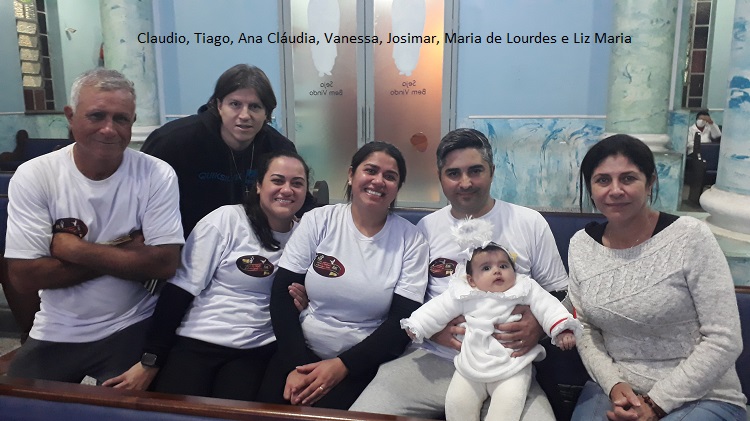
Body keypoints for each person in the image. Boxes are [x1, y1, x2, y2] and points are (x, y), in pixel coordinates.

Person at [349, 128, 569, 421]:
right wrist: (432, 330)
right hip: (433, 358)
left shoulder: (529, 222)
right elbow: (408, 301)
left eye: (475, 171)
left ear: (492, 172)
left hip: (508, 364)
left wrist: (537, 327)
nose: (465, 183)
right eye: (453, 173)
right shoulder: (426, 229)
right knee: (363, 415)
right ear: (440, 177)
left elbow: (562, 293)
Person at [4, 68, 184, 384]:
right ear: (70, 117)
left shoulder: (157, 174)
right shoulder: (35, 175)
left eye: (121, 119)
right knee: (18, 401)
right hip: (57, 326)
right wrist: (125, 251)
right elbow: (24, 276)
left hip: (132, 323)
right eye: (97, 116)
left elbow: (165, 263)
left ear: (132, 122)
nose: (109, 129)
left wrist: (74, 250)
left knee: (131, 406)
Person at [101, 150, 310, 400]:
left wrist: (305, 299)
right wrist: (151, 360)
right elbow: (179, 291)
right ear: (258, 185)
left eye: (297, 183)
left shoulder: (306, 236)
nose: (287, 190)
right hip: (197, 341)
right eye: (277, 180)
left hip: (254, 350)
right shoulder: (226, 220)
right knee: (176, 413)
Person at [568, 134, 746, 421]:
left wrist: (657, 403)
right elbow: (585, 327)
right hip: (618, 388)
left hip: (703, 393)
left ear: (650, 182)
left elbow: (724, 338)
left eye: (628, 178)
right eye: (603, 180)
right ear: (590, 188)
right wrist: (614, 385)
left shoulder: (690, 237)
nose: (615, 190)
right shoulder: (581, 245)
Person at [257, 141, 429, 410]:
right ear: (351, 174)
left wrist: (343, 366)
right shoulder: (318, 221)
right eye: (370, 170)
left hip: (364, 362)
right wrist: (297, 366)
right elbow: (282, 294)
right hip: (298, 353)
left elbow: (402, 321)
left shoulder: (412, 239)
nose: (378, 181)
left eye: (390, 176)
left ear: (398, 187)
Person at [401, 218, 581, 421]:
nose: (497, 271)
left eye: (503, 265)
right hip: (470, 365)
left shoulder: (524, 289)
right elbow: (437, 308)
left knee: (507, 406)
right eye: (486, 268)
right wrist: (417, 325)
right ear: (471, 280)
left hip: (513, 366)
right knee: (457, 404)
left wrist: (562, 328)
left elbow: (548, 307)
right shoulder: (464, 292)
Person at [141, 63, 313, 236]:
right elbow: (140, 199)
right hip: (181, 243)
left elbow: (303, 204)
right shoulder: (171, 141)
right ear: (219, 105)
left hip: (255, 245)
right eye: (235, 104)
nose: (244, 115)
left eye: (255, 107)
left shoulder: (279, 149)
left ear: (267, 113)